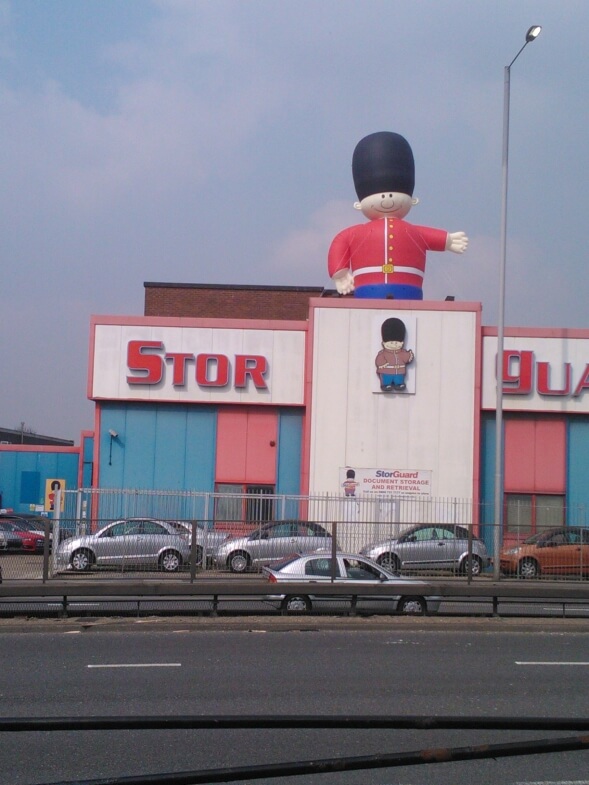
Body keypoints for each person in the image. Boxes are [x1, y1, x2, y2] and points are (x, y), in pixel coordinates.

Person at [328, 131, 468, 299]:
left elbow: (428, 236)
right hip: (367, 289)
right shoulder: (356, 233)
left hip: (410, 289)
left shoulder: (412, 232)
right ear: (359, 204)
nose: (387, 199)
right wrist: (340, 272)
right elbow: (340, 243)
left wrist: (448, 240)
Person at [375, 317, 414, 392]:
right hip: (386, 371)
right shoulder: (383, 353)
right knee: (386, 378)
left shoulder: (402, 353)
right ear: (384, 343)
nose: (394, 345)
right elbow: (379, 359)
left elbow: (405, 358)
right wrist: (382, 364)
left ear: (402, 343)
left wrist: (409, 355)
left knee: (399, 378)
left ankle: (399, 384)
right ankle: (385, 384)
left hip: (399, 371)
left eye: (396, 343)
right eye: (391, 343)